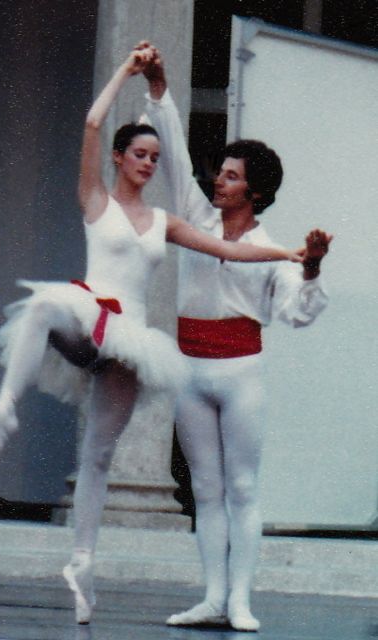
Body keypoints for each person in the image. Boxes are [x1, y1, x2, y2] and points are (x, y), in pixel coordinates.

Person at [0, 48, 304, 625]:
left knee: (100, 455)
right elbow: (92, 123)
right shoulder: (95, 200)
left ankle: (82, 563)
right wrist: (128, 73)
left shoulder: (167, 223)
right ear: (119, 158)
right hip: (90, 314)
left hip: (130, 339)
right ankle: (5, 405)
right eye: (140, 155)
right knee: (44, 304)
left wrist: (292, 254)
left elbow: (229, 250)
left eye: (155, 157)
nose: (150, 164)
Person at [138, 42, 332, 632]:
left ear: (255, 192)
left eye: (230, 176)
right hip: (190, 368)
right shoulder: (196, 218)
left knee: (242, 487)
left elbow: (297, 313)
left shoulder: (272, 250)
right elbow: (173, 150)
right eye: (220, 173)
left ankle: (241, 601)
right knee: (206, 488)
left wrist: (312, 268)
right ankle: (213, 597)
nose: (217, 181)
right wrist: (158, 85)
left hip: (240, 372)